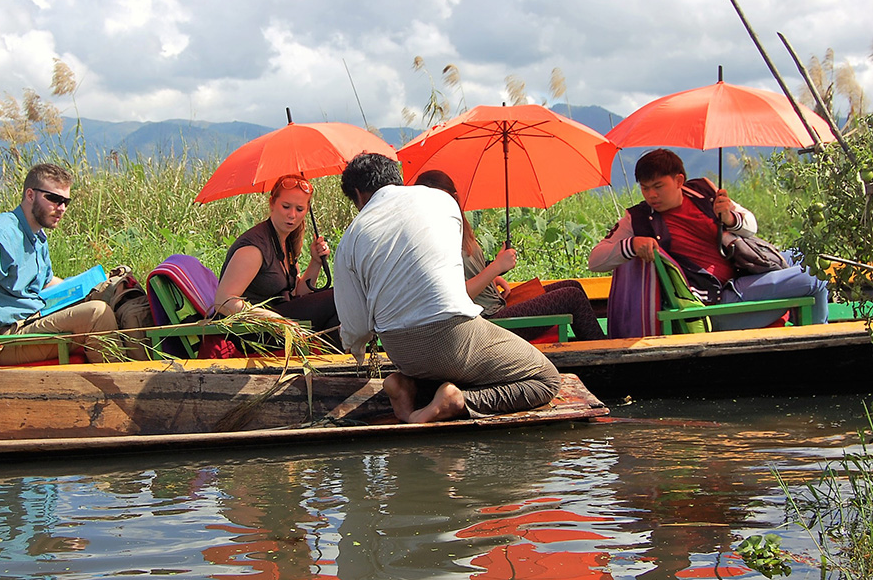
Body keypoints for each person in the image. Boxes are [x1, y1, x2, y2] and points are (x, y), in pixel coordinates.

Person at [334, 153, 562, 423]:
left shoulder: (349, 238)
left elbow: (357, 328)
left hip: (401, 352)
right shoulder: (441, 201)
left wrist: (357, 347)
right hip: (454, 337)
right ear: (398, 179)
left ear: (359, 195)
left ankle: (408, 386)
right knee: (546, 379)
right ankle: (458, 401)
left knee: (443, 365)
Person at [588, 148, 828, 332]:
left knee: (806, 255)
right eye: (645, 188)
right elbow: (595, 260)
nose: (651, 195)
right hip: (719, 298)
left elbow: (750, 226)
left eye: (658, 186)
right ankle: (819, 343)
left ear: (679, 181)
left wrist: (730, 217)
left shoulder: (704, 190)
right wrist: (631, 245)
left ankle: (802, 330)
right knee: (816, 276)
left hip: (744, 271)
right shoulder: (637, 218)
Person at [413, 170, 606, 341]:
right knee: (570, 296)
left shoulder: (457, 226)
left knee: (573, 285)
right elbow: (457, 296)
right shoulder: (432, 238)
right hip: (487, 322)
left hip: (497, 304)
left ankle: (598, 349)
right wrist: (496, 267)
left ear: (454, 198)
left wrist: (494, 276)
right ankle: (604, 358)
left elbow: (467, 270)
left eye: (442, 200)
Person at [0, 163, 118, 364]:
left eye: (66, 202)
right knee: (97, 314)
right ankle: (122, 385)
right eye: (54, 199)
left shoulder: (37, 236)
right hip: (7, 337)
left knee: (117, 294)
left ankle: (147, 371)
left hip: (35, 318)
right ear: (30, 195)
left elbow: (45, 281)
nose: (61, 208)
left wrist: (90, 288)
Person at [215, 174, 340, 348]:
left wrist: (316, 262)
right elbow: (223, 301)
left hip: (281, 320)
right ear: (272, 203)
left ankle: (337, 364)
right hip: (252, 331)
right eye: (286, 206)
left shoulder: (286, 241)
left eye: (299, 209)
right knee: (339, 297)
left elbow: (297, 291)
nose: (292, 215)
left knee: (342, 301)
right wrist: (274, 319)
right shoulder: (254, 248)